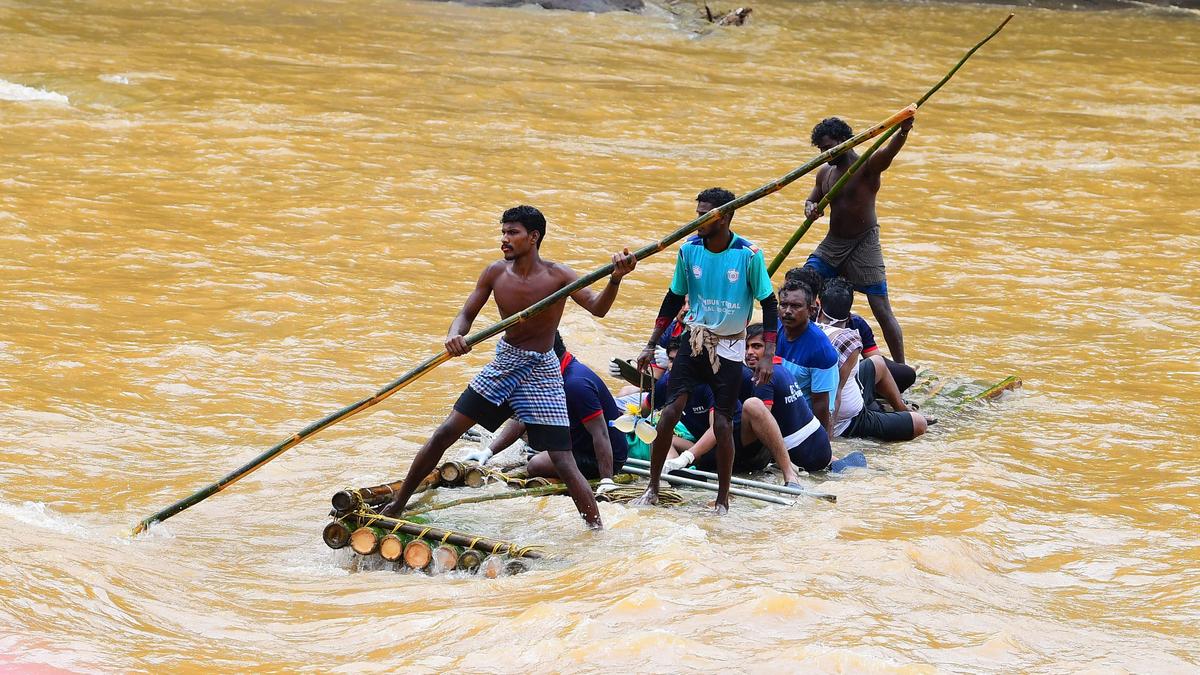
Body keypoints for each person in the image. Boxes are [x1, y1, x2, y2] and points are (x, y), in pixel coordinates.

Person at [379, 205, 637, 529]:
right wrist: (454, 335)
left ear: (534, 237)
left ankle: (595, 529)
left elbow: (598, 308)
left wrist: (615, 279)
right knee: (445, 432)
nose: (504, 239)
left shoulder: (560, 275)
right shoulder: (495, 273)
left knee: (563, 459)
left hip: (543, 370)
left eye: (512, 233)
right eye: (503, 232)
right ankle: (397, 504)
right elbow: (465, 313)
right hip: (505, 363)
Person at [630, 187, 777, 514]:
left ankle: (723, 500)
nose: (697, 220)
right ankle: (652, 487)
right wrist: (651, 343)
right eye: (696, 213)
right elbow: (672, 298)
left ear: (724, 217)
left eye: (704, 215)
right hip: (694, 340)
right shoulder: (688, 250)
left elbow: (769, 303)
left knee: (723, 424)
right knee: (668, 413)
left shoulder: (749, 254)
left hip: (729, 346)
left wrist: (768, 354)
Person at [803, 114, 914, 363]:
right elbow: (812, 199)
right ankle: (805, 350)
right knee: (802, 287)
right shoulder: (825, 172)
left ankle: (901, 368)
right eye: (822, 150)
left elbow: (889, 152)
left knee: (882, 309)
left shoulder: (867, 165)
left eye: (829, 148)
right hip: (833, 244)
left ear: (846, 141)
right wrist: (810, 208)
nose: (826, 154)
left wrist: (903, 132)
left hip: (865, 242)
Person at [667, 323, 831, 480]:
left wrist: (689, 456)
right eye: (746, 347)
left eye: (756, 346)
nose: (749, 352)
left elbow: (761, 425)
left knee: (751, 406)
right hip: (820, 445)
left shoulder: (761, 378)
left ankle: (789, 472)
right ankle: (672, 471)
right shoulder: (778, 369)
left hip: (789, 453)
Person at [474, 333, 627, 493]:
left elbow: (600, 433)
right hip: (575, 438)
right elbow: (521, 417)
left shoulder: (576, 384)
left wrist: (606, 479)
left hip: (598, 456)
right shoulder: (549, 374)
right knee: (528, 431)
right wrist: (488, 451)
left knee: (536, 465)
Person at [817, 278, 929, 441]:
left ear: (818, 305)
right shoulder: (849, 339)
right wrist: (827, 440)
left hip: (847, 399)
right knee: (920, 423)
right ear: (849, 314)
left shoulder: (807, 328)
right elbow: (836, 392)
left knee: (878, 363)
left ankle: (901, 408)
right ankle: (900, 412)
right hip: (849, 421)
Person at [774, 279, 839, 438]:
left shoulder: (821, 350)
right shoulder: (775, 328)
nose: (787, 311)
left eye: (796, 306)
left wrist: (820, 445)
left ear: (811, 310)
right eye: (783, 305)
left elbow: (821, 404)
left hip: (802, 419)